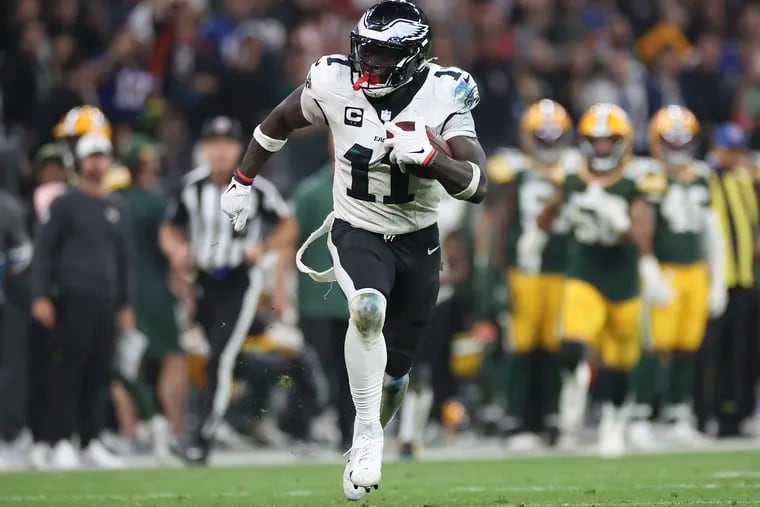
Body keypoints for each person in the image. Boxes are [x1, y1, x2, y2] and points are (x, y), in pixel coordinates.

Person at [220, 1, 487, 498]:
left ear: (410, 56)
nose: (367, 63)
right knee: (367, 309)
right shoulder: (333, 80)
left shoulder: (445, 91)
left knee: (397, 375)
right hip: (356, 228)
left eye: (381, 54)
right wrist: (242, 180)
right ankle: (365, 435)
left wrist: (431, 159)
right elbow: (277, 121)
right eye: (364, 50)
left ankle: (375, 423)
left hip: (418, 239)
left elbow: (476, 186)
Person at [523, 103, 671, 457]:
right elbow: (547, 214)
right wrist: (531, 244)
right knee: (572, 344)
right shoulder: (572, 177)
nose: (603, 148)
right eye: (596, 141)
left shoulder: (638, 178)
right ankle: (571, 408)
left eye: (610, 141)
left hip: (623, 281)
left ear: (623, 142)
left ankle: (612, 424)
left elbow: (643, 229)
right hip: (584, 274)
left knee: (619, 367)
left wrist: (620, 226)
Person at [161, 115, 295, 464]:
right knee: (211, 359)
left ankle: (201, 437)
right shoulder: (190, 188)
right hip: (202, 283)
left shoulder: (257, 188)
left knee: (220, 358)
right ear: (204, 149)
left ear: (238, 148)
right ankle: (222, 416)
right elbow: (169, 228)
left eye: (226, 145)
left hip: (239, 279)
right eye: (213, 145)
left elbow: (287, 225)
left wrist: (263, 250)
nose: (220, 152)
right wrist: (176, 250)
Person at [29, 132, 135, 469]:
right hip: (71, 299)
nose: (97, 162)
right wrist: (40, 294)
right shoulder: (64, 204)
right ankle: (60, 439)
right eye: (92, 156)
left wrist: (127, 304)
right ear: (80, 162)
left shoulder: (116, 206)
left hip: (106, 301)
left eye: (102, 156)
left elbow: (124, 261)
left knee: (99, 372)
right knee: (67, 372)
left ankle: (91, 440)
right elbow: (43, 254)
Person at [629, 106, 727, 448]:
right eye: (670, 139)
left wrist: (718, 278)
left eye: (683, 139)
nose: (677, 146)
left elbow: (712, 231)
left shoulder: (702, 175)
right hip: (664, 269)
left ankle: (678, 416)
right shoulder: (649, 174)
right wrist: (648, 266)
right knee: (654, 347)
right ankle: (639, 416)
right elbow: (639, 224)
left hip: (694, 272)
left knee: (687, 348)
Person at [486, 100, 575, 450]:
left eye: (555, 136)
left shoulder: (575, 169)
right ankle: (519, 420)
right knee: (520, 348)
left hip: (564, 269)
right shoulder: (515, 169)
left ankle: (554, 419)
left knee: (558, 348)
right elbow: (500, 222)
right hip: (524, 273)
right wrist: (496, 273)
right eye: (543, 135)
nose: (550, 143)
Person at [117, 135, 187, 458]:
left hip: (119, 292)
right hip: (155, 292)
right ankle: (174, 432)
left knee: (126, 365)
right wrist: (185, 286)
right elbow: (171, 251)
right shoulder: (158, 203)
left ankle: (129, 432)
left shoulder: (113, 201)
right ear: (147, 165)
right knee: (173, 361)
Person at [293, 159, 354, 451]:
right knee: (313, 370)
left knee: (352, 371)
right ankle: (302, 430)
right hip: (315, 298)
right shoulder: (310, 191)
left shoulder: (372, 183)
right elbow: (290, 241)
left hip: (353, 297)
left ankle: (347, 434)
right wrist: (283, 292)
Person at [704, 123, 759, 437]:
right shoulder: (705, 179)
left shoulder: (743, 178)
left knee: (745, 351)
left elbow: (751, 223)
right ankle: (713, 413)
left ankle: (741, 412)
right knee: (716, 351)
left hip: (745, 278)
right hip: (717, 280)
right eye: (731, 150)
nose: (736, 156)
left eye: (740, 151)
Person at [0, 190, 33, 468]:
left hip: (6, 299)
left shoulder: (7, 205)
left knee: (11, 369)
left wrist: (5, 266)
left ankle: (7, 437)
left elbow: (23, 254)